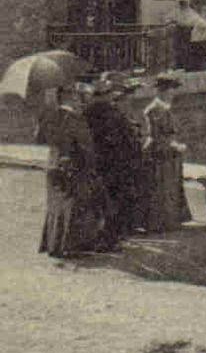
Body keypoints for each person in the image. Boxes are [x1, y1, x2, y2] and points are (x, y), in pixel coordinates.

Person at [38, 80, 107, 258]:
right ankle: (70, 247)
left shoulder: (50, 115)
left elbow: (40, 137)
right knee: (73, 206)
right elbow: (85, 146)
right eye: (76, 96)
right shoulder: (75, 119)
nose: (79, 100)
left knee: (56, 206)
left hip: (54, 165)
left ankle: (54, 245)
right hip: (74, 167)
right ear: (69, 97)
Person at [83, 72, 145, 248]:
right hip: (116, 164)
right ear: (107, 94)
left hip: (98, 163)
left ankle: (100, 237)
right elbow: (125, 138)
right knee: (117, 201)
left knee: (101, 202)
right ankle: (112, 239)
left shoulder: (86, 112)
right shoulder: (112, 112)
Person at [141, 70, 191, 232]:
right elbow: (157, 136)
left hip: (168, 153)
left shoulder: (163, 108)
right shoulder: (155, 109)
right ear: (161, 90)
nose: (173, 92)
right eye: (170, 89)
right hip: (161, 153)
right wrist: (175, 146)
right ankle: (161, 223)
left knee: (169, 187)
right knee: (161, 188)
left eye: (173, 88)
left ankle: (168, 221)